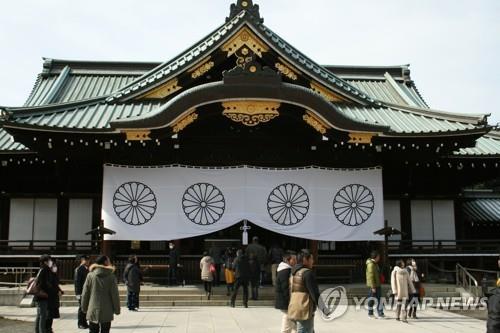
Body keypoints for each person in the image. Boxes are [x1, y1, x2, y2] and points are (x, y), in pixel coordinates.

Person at [288, 249, 327, 333]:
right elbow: (315, 293)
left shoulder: (294, 272)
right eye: (311, 259)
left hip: (294, 307)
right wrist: (324, 309)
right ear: (305, 260)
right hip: (304, 309)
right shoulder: (307, 273)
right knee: (305, 330)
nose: (313, 261)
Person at [81, 255, 120, 333]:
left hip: (93, 308)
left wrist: (84, 307)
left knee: (93, 331)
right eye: (108, 261)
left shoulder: (90, 275)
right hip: (107, 309)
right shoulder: (111, 276)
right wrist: (117, 309)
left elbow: (85, 293)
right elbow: (114, 294)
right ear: (105, 262)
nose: (110, 262)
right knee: (105, 331)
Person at [275, 250, 297, 333]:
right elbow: (285, 288)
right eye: (293, 259)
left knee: (294, 324)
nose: (295, 261)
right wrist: (290, 302)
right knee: (287, 326)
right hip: (286, 302)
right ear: (287, 260)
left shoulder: (284, 269)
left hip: (286, 302)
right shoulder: (285, 271)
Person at [34, 254, 54, 333]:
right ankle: (42, 331)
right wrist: (50, 288)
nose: (51, 262)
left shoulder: (41, 269)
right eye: (49, 260)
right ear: (45, 262)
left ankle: (37, 331)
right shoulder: (45, 270)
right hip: (43, 296)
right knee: (43, 316)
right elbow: (43, 283)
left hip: (39, 295)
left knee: (39, 315)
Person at [366, 250, 385, 318]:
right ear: (376, 257)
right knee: (371, 299)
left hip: (377, 284)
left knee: (379, 299)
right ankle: (370, 313)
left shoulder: (375, 264)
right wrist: (373, 286)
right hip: (374, 285)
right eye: (378, 256)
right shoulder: (371, 265)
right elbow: (370, 276)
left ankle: (380, 313)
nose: (379, 258)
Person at [46, 259, 63, 333]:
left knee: (51, 315)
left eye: (55, 266)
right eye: (54, 266)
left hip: (54, 297)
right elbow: (49, 286)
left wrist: (60, 290)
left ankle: (50, 328)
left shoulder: (54, 275)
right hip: (49, 297)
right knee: (48, 315)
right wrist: (57, 291)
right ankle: (47, 329)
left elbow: (56, 285)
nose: (55, 267)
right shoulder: (48, 275)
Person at [74, 254, 90, 329]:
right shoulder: (79, 269)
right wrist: (77, 293)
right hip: (81, 292)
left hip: (86, 291)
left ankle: (84, 322)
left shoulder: (87, 269)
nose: (87, 261)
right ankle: (80, 323)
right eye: (86, 260)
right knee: (81, 308)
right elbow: (77, 282)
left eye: (88, 260)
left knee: (85, 308)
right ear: (82, 260)